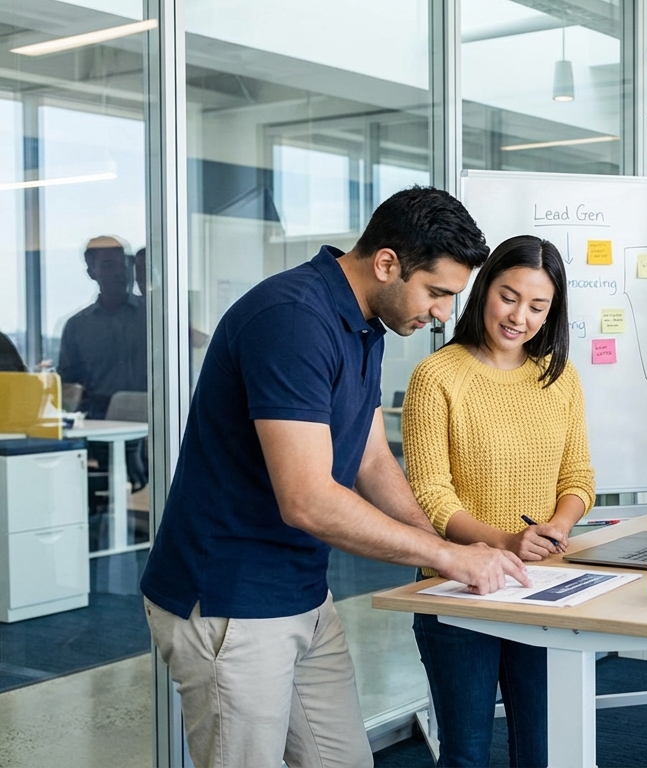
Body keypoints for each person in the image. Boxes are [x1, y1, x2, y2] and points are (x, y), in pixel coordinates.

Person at [139, 186, 530, 768]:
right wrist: (449, 558)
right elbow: (309, 500)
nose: (444, 313)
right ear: (387, 263)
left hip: (300, 589)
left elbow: (371, 460)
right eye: (438, 293)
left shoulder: (365, 323)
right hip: (230, 599)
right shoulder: (294, 321)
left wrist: (448, 543)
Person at [403, 235, 594, 768]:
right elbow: (430, 497)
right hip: (457, 586)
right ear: (484, 288)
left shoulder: (559, 377)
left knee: (542, 748)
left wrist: (556, 525)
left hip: (542, 586)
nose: (520, 317)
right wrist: (508, 541)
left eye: (538, 307)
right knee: (466, 754)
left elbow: (578, 475)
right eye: (509, 297)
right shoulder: (437, 377)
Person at [59, 236, 149, 490]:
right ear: (92, 272)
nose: (119, 272)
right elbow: (69, 387)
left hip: (156, 432)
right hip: (100, 436)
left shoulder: (155, 317)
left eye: (122, 264)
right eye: (109, 265)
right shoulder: (78, 327)